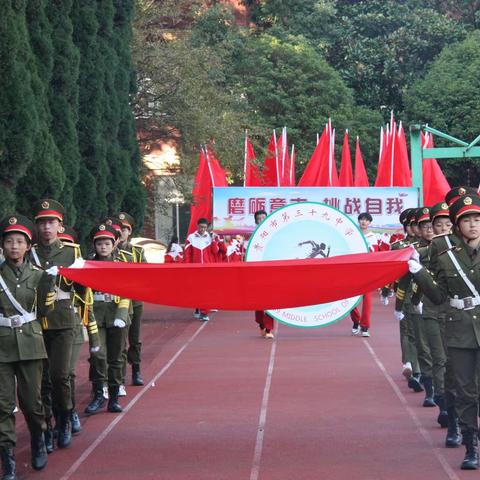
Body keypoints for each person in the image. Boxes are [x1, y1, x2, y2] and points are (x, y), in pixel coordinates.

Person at [409, 194, 480, 470]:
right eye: (467, 221)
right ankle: (471, 446)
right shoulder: (443, 249)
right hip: (459, 330)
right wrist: (419, 272)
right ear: (457, 224)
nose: (473, 225)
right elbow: (438, 296)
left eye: (477, 219)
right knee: (465, 391)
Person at [30, 199, 95, 452]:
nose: (47, 227)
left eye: (51, 222)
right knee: (42, 381)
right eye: (42, 223)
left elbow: (83, 288)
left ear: (60, 226)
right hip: (36, 322)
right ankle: (46, 426)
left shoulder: (72, 252)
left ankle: (65, 418)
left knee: (60, 376)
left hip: (64, 320)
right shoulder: (29, 252)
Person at [0, 214, 56, 480]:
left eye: (19, 241)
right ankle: (7, 456)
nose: (14, 246)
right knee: (3, 404)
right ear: (2, 246)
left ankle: (38, 439)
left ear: (28, 247)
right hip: (1, 345)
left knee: (32, 403)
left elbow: (45, 309)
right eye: (9, 241)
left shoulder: (40, 276)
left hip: (31, 345)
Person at [84, 224, 131, 415]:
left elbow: (127, 291)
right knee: (97, 355)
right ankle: (98, 394)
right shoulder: (87, 264)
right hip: (96, 313)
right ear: (94, 246)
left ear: (113, 245)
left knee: (116, 357)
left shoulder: (120, 264)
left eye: (107, 243)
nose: (103, 247)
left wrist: (121, 315)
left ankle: (113, 397)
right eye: (99, 243)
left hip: (116, 312)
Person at [57, 226, 84, 435]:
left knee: (68, 373)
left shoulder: (74, 259)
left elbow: (85, 296)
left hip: (71, 321)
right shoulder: (37, 257)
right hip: (46, 323)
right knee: (48, 377)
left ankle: (70, 411)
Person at [116, 212, 147, 388]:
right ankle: (118, 376)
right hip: (115, 302)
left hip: (134, 300)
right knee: (118, 341)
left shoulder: (137, 252)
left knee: (134, 338)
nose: (122, 232)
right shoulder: (108, 251)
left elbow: (144, 274)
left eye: (125, 229)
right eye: (119, 229)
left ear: (130, 232)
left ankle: (136, 369)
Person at [184, 218, 219, 321]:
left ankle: (204, 312)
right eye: (201, 227)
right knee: (196, 290)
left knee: (206, 290)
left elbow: (215, 251)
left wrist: (213, 240)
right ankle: (197, 307)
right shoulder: (191, 238)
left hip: (207, 269)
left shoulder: (210, 237)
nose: (203, 229)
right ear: (197, 226)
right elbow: (187, 253)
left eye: (204, 227)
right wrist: (187, 267)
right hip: (195, 269)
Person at [350, 212, 379, 337]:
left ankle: (365, 326)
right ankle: (356, 320)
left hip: (368, 271)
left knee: (367, 299)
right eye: (361, 219)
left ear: (370, 223)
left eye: (366, 220)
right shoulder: (353, 234)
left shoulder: (373, 237)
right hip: (354, 270)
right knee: (350, 298)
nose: (363, 222)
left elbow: (375, 253)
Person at [251, 210, 275, 339]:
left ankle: (269, 328)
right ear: (256, 221)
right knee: (259, 302)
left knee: (272, 301)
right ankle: (261, 324)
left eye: (263, 218)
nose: (261, 220)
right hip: (257, 273)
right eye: (259, 219)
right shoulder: (253, 236)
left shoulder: (273, 234)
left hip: (270, 272)